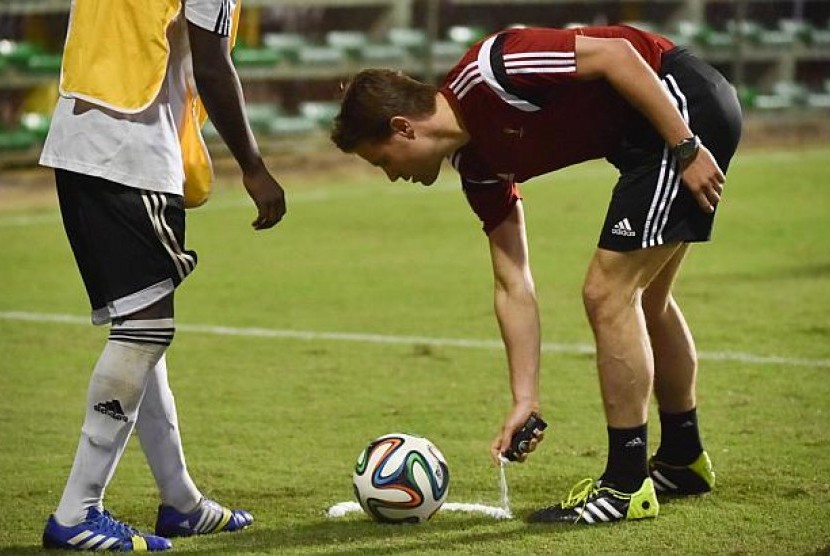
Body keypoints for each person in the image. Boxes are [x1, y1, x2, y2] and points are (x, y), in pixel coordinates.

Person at [331, 24, 741, 524]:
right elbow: (513, 281)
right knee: (646, 298)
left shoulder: (492, 71)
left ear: (403, 127)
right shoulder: (477, 165)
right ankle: (682, 461)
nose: (392, 175)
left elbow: (618, 55)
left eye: (382, 161)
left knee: (606, 293)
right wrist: (525, 397)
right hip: (651, 141)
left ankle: (626, 486)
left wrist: (684, 147)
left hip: (679, 109)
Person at [39, 0, 286, 550]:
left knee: (141, 327)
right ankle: (78, 511)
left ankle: (181, 502)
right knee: (145, 329)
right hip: (129, 147)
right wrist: (253, 165)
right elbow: (212, 62)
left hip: (81, 135)